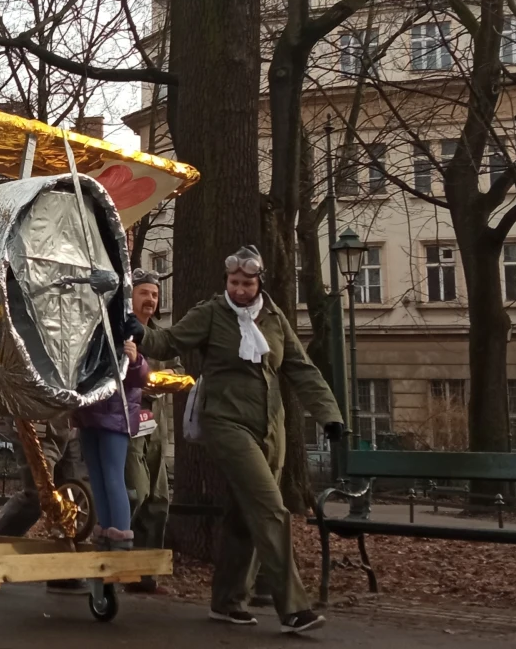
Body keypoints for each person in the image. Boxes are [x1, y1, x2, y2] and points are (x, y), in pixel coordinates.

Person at [134, 245, 344, 635]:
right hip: (226, 422)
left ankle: (228, 602)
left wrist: (329, 415)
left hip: (270, 427)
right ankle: (294, 607)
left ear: (258, 282)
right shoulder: (212, 313)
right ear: (227, 282)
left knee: (244, 514)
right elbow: (169, 343)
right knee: (270, 508)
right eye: (234, 282)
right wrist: (139, 332)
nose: (240, 290)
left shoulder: (273, 317)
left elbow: (301, 368)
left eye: (247, 283)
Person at [0, 418, 88, 594]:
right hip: (35, 423)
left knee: (72, 497)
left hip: (67, 423)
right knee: (38, 496)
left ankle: (64, 569)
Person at [123, 268, 175, 595]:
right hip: (128, 427)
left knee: (158, 500)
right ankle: (114, 565)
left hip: (157, 429)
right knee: (135, 495)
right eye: (145, 294)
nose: (151, 301)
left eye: (155, 295)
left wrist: (168, 377)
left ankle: (146, 576)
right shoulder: (121, 332)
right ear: (131, 297)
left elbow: (174, 373)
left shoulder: (161, 336)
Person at [74, 330, 150, 551]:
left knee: (112, 475)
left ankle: (120, 533)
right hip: (89, 413)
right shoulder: (88, 333)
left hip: (114, 415)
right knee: (97, 476)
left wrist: (135, 360)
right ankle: (106, 530)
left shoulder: (125, 330)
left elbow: (141, 377)